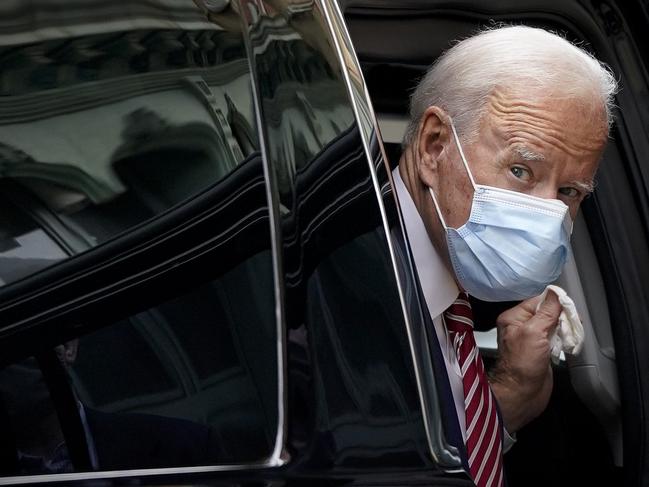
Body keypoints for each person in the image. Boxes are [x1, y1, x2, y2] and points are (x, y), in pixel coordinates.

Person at [393, 25, 617, 487]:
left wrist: (509, 396)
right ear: (435, 146)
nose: (548, 213)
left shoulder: (443, 291)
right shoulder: (335, 282)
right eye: (521, 170)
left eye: (570, 192)